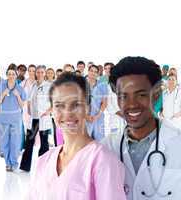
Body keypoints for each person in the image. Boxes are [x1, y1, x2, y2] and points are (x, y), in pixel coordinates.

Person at [102, 56, 181, 200]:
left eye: (141, 95)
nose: (131, 104)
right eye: (123, 96)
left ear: (156, 94)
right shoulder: (106, 148)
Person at [28, 72, 126, 200]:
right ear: (51, 110)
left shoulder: (103, 161)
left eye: (76, 105)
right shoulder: (44, 161)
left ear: (88, 108)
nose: (67, 113)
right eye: (59, 105)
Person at [20, 65, 53, 172]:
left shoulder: (49, 86)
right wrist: (29, 109)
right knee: (29, 142)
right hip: (34, 118)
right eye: (38, 72)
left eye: (42, 72)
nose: (39, 74)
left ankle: (43, 167)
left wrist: (49, 111)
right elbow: (29, 99)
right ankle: (25, 167)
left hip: (44, 118)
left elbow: (56, 101)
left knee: (44, 143)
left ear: (45, 73)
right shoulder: (33, 85)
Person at [0, 65, 26, 172]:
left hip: (16, 119)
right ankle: (7, 163)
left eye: (13, 74)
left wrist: (17, 96)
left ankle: (14, 163)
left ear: (16, 75)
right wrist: (3, 94)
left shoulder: (20, 88)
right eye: (9, 74)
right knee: (5, 142)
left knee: (15, 142)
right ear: (6, 75)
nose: (11, 76)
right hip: (3, 118)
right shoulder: (0, 86)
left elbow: (22, 106)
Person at [86, 64, 108, 140]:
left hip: (98, 118)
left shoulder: (102, 85)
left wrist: (97, 116)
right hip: (85, 118)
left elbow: (104, 103)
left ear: (98, 74)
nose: (93, 73)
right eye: (91, 71)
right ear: (88, 71)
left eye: (95, 72)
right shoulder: (81, 85)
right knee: (85, 143)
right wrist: (86, 116)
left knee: (100, 142)